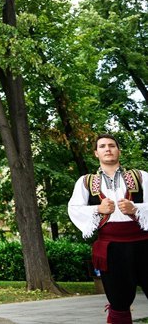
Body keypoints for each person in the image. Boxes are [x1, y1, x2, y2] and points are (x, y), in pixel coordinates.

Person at [68, 134, 148, 324]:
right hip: (111, 248)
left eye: (112, 145)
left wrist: (135, 209)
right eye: (102, 146)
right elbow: (74, 209)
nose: (108, 149)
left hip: (145, 244)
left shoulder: (141, 175)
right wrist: (98, 209)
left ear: (118, 150)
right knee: (118, 301)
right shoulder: (86, 181)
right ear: (96, 153)